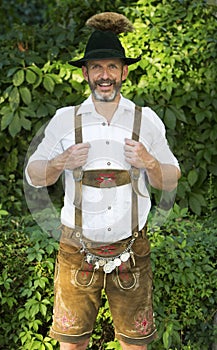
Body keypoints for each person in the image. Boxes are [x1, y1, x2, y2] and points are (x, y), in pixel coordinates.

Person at [25, 12, 181, 350]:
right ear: (85, 73)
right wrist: (60, 162)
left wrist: (150, 162)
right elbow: (33, 175)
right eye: (97, 67)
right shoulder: (65, 120)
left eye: (112, 66)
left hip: (132, 248)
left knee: (136, 344)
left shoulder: (146, 120)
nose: (105, 75)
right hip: (75, 249)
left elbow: (170, 179)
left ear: (124, 71)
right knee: (71, 344)